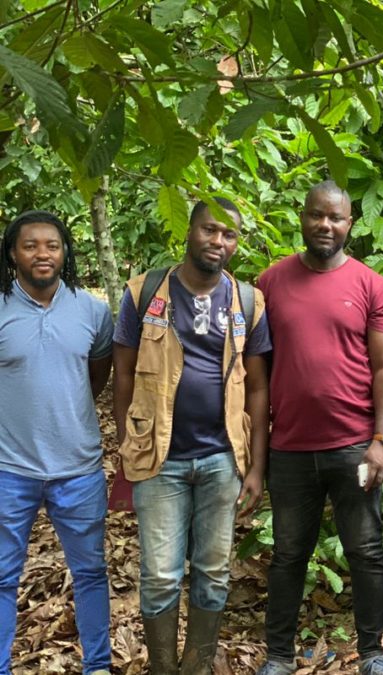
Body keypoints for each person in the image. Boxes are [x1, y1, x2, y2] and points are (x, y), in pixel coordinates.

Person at [112, 197, 271, 674]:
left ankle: (197, 666)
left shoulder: (247, 300)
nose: (218, 241)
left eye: (229, 234)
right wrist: (127, 440)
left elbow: (259, 385)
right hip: (160, 458)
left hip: (223, 458)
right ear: (190, 230)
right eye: (210, 230)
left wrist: (257, 466)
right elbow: (122, 375)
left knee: (213, 572)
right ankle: (163, 668)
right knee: (160, 574)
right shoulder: (145, 292)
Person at [256, 180, 383, 675]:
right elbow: (256, 372)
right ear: (303, 216)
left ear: (349, 224)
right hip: (291, 448)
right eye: (318, 215)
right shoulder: (269, 283)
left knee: (366, 553)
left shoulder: (371, 285)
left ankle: (373, 653)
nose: (325, 225)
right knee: (288, 555)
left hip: (355, 446)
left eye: (336, 218)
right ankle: (277, 656)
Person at [0, 211, 113, 675]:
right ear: (12, 253)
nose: (42, 253)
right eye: (31, 245)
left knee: (90, 573)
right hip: (9, 470)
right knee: (3, 578)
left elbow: (98, 373)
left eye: (52, 245)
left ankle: (99, 666)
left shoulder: (93, 311)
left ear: (66, 252)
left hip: (79, 469)